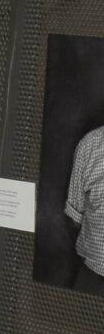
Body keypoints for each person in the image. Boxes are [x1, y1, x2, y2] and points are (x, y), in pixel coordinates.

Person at [64, 125, 104, 294]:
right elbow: (74, 218)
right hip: (94, 280)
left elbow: (75, 220)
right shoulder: (89, 144)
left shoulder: (90, 143)